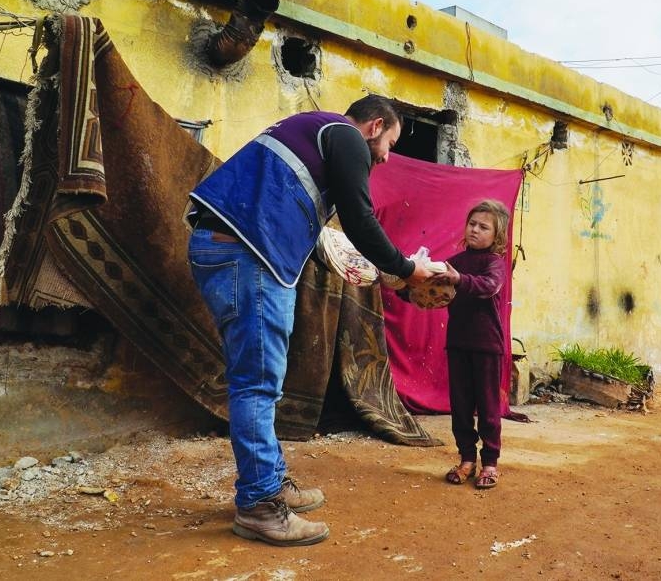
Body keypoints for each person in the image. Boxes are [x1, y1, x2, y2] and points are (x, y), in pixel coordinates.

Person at [187, 95, 434, 546]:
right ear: (375, 126)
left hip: (233, 249)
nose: (385, 157)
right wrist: (405, 267)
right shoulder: (345, 136)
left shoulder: (311, 133)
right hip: (247, 255)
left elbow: (314, 217)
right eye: (390, 145)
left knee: (262, 382)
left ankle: (271, 483)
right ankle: (260, 507)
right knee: (257, 385)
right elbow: (360, 219)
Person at [431, 199, 511, 490]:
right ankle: (467, 458)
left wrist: (459, 279)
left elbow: (489, 286)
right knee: (461, 406)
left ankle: (490, 462)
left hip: (487, 345)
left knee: (488, 408)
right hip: (458, 343)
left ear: (497, 235)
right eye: (472, 224)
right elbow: (434, 289)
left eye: (483, 226)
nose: (475, 230)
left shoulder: (494, 264)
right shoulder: (455, 262)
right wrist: (407, 283)